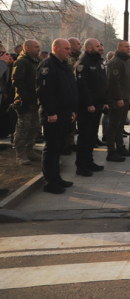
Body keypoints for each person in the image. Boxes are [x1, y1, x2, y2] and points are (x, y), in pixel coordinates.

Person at [36, 39, 77, 194]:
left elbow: (70, 88)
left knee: (59, 147)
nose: (69, 51)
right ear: (56, 48)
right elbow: (44, 91)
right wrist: (50, 112)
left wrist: (73, 109)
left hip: (65, 112)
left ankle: (56, 177)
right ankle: (50, 182)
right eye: (66, 48)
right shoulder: (47, 65)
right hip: (54, 114)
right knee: (52, 148)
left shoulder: (64, 65)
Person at [74, 39, 108, 176]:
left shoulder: (98, 62)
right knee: (84, 136)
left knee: (92, 136)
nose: (100, 48)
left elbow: (102, 83)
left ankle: (89, 161)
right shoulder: (83, 63)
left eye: (100, 45)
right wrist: (89, 103)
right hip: (87, 107)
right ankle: (81, 165)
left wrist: (104, 101)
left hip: (98, 105)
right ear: (89, 48)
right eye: (97, 46)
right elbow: (82, 86)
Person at [11, 40, 42, 165]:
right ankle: (20, 153)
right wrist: (24, 99)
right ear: (27, 48)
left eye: (39, 47)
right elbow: (17, 81)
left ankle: (30, 150)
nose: (38, 49)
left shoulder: (37, 61)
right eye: (36, 47)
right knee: (23, 127)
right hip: (25, 101)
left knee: (34, 127)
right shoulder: (22, 61)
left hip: (36, 100)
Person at [105, 41, 130, 162]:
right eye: (126, 47)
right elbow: (114, 82)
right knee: (114, 125)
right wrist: (118, 98)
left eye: (129, 46)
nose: (128, 48)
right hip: (118, 99)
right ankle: (111, 151)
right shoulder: (116, 62)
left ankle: (120, 147)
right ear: (119, 48)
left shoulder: (125, 61)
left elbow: (126, 81)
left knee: (120, 124)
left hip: (125, 97)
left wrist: (128, 96)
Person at [64, 37, 82, 153]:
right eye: (78, 44)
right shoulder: (67, 59)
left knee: (72, 121)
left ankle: (70, 143)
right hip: (67, 94)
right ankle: (64, 145)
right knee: (67, 121)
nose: (80, 46)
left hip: (75, 93)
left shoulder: (77, 58)